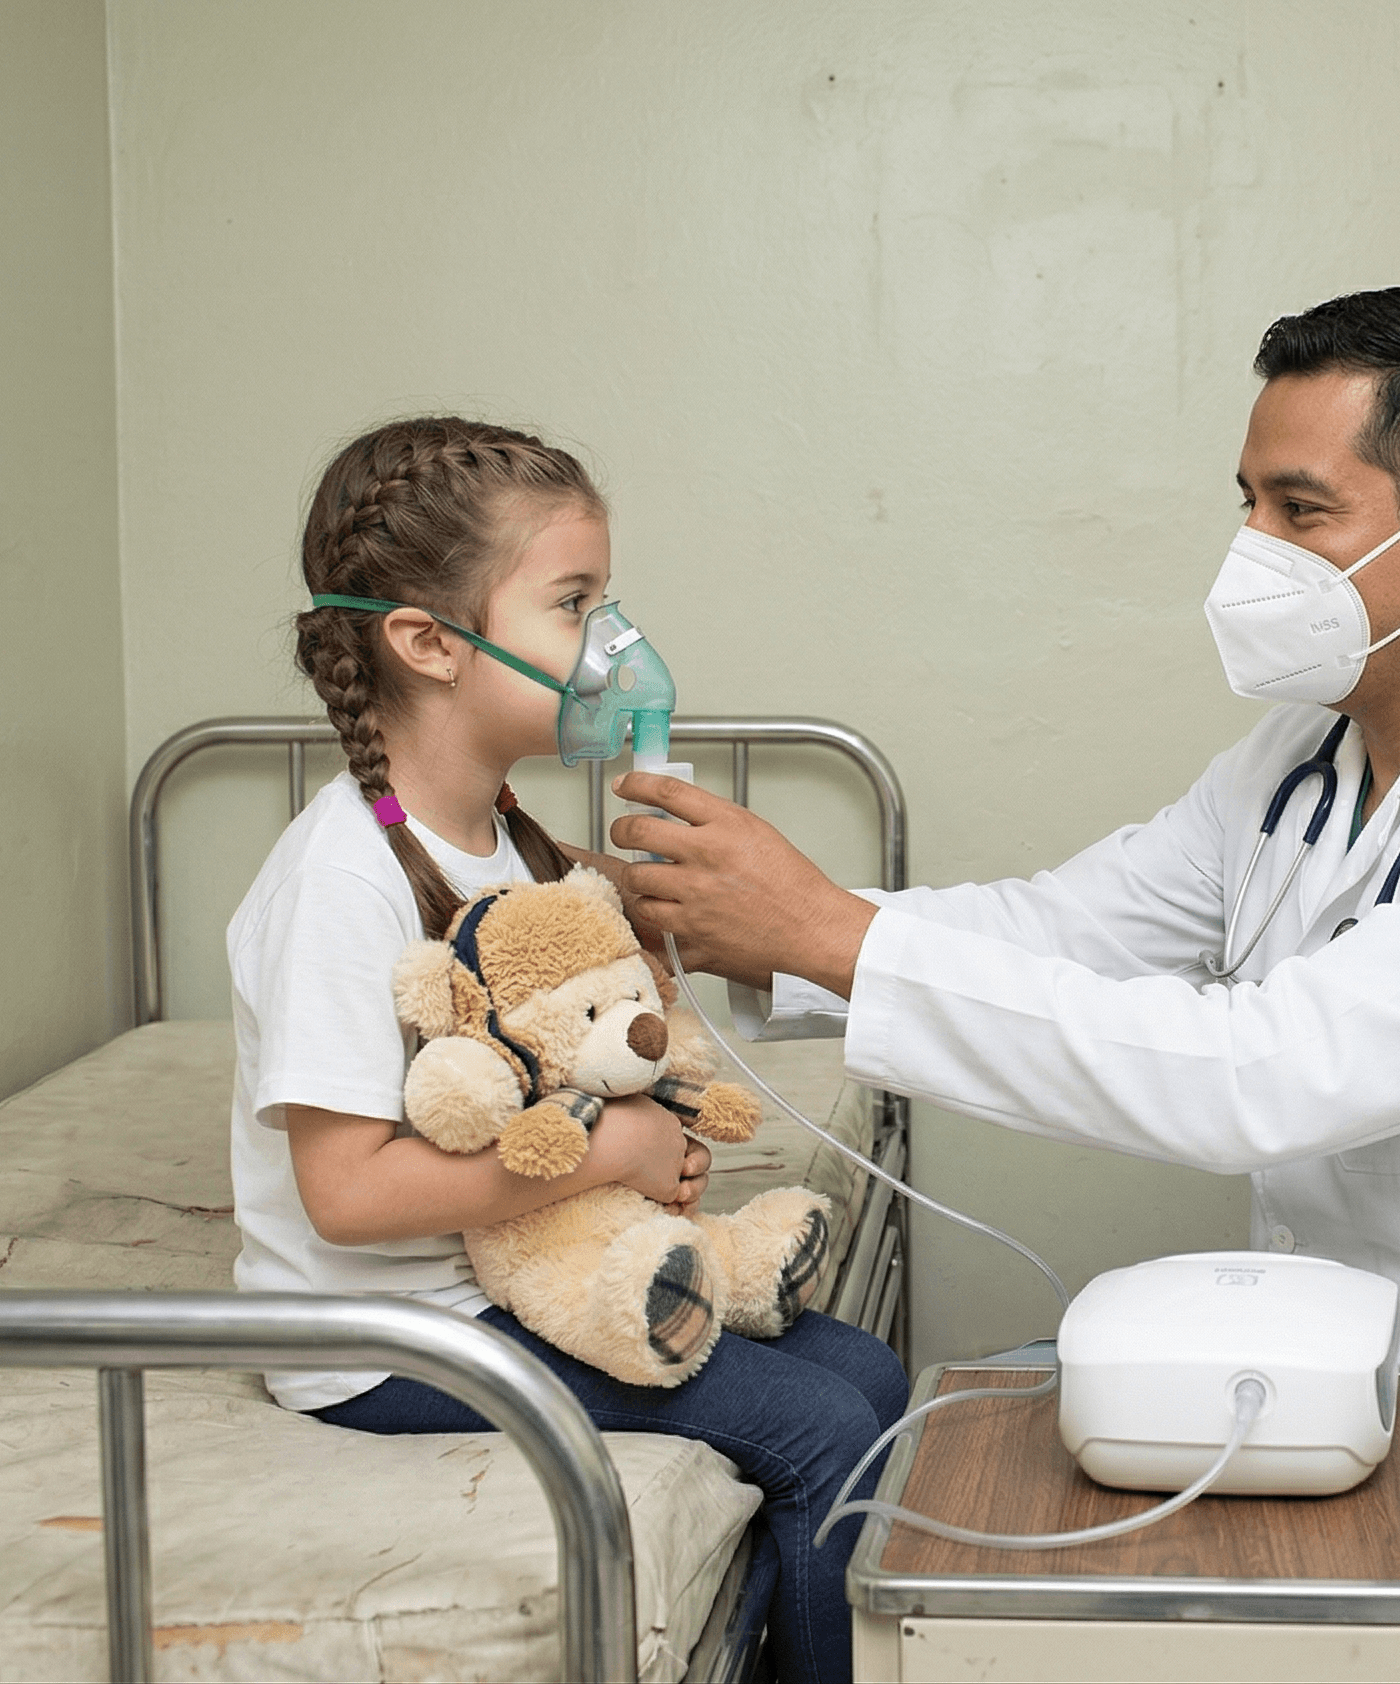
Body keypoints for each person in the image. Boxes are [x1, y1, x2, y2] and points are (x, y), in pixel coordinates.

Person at [611, 290, 1400, 1683]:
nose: (1251, 554)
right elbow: (1070, 928)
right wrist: (778, 940)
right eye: (1248, 505)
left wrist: (834, 938)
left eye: (1300, 510)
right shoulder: (1301, 755)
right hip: (1322, 1380)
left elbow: (1267, 1074)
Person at [225, 416, 905, 1684]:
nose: (614, 647)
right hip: (386, 1337)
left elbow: (596, 988)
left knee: (865, 1371)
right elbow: (348, 1190)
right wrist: (615, 1157)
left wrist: (693, 928)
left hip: (510, 1281)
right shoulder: (338, 879)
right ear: (427, 643)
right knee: (819, 1431)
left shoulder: (510, 831)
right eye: (575, 603)